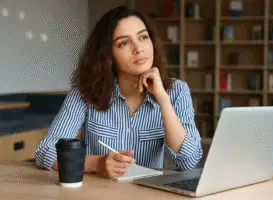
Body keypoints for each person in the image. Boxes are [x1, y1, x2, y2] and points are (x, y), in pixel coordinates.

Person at [35, 5, 203, 179]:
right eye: (124, 43)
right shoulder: (85, 91)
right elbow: (45, 152)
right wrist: (96, 164)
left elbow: (189, 162)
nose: (139, 48)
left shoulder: (177, 91)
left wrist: (163, 99)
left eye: (143, 37)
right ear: (108, 55)